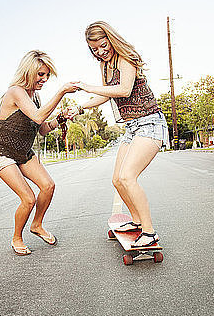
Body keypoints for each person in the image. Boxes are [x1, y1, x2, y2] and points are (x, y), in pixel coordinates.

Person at [70, 21, 169, 249]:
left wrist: (87, 86)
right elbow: (106, 95)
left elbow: (123, 89)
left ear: (111, 40)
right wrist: (80, 107)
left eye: (103, 46)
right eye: (95, 50)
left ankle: (149, 232)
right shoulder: (105, 65)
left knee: (127, 177)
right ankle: (136, 221)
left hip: (150, 123)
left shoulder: (126, 57)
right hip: (132, 128)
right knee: (117, 180)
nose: (100, 52)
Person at [0, 50, 78, 255]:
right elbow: (36, 117)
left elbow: (42, 128)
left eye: (46, 75)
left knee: (48, 186)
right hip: (0, 150)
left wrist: (61, 118)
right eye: (40, 75)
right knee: (28, 198)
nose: (44, 79)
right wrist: (61, 92)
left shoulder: (35, 96)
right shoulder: (15, 91)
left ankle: (37, 224)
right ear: (28, 72)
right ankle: (16, 238)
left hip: (22, 151)